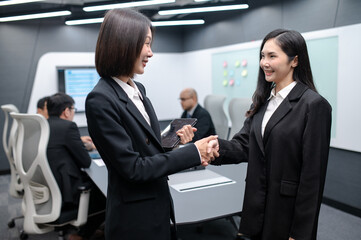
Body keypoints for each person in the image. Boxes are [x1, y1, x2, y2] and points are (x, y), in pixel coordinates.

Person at [85, 9, 217, 240]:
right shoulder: (101, 99)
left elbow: (147, 149)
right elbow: (134, 168)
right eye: (146, 44)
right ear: (124, 43)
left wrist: (173, 143)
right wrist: (192, 153)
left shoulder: (138, 90)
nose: (151, 52)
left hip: (157, 205)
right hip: (134, 219)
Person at [209, 29, 332, 240]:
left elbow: (312, 178)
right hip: (256, 208)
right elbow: (243, 145)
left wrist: (300, 233)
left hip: (286, 215)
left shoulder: (313, 105)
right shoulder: (263, 103)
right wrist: (209, 146)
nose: (264, 62)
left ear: (294, 61)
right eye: (262, 56)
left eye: (272, 56)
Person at [46, 93, 106, 240]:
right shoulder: (68, 127)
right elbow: (85, 162)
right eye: (73, 109)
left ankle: (90, 230)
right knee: (107, 194)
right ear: (66, 111)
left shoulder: (44, 125)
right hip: (67, 189)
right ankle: (82, 235)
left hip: (49, 185)